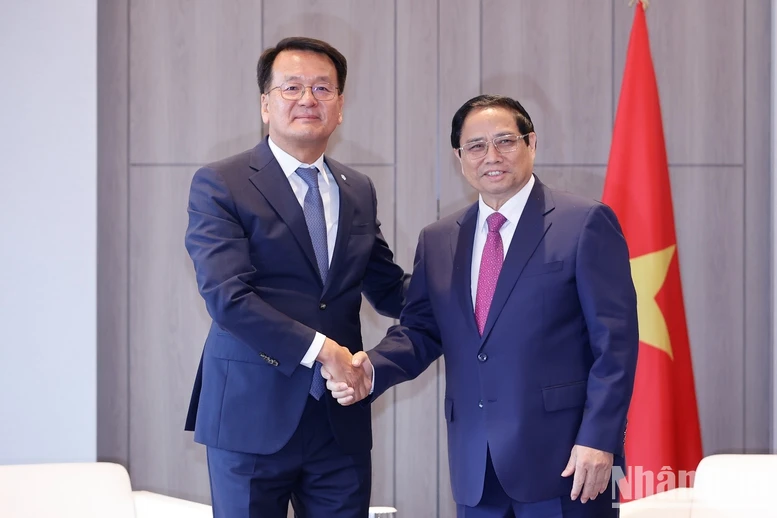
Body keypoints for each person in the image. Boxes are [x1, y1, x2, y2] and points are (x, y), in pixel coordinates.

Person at [326, 94, 639, 517]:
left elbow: (615, 345)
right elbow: (422, 329)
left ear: (531, 143)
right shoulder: (439, 239)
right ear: (460, 158)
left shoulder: (583, 222)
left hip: (566, 461)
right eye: (475, 146)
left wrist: (599, 438)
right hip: (476, 465)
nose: (491, 156)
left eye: (505, 141)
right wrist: (373, 368)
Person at [183, 36, 407, 518]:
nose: (308, 99)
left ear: (340, 107)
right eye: (292, 87)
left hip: (338, 421)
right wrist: (324, 350)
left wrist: (473, 287)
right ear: (266, 104)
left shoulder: (358, 189)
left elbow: (389, 288)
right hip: (250, 414)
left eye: (322, 88)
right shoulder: (222, 183)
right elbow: (227, 297)